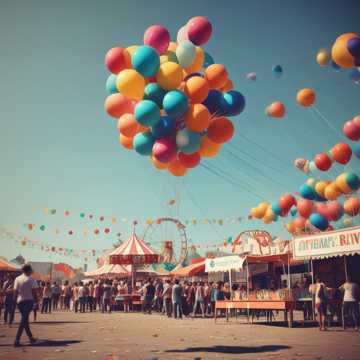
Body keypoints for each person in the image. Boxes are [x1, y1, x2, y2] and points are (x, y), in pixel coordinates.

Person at [13, 264, 38, 347]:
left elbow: (15, 291)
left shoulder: (17, 279)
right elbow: (34, 292)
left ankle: (31, 337)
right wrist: (36, 302)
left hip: (20, 302)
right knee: (23, 320)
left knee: (25, 320)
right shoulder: (31, 279)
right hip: (29, 301)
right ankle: (17, 339)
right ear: (29, 270)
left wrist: (14, 301)